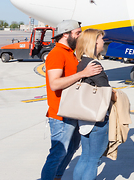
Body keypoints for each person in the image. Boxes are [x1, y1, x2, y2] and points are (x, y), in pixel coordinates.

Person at [41, 20, 102, 180]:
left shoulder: (70, 52)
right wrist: (83, 74)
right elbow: (55, 84)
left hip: (72, 111)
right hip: (60, 114)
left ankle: (57, 176)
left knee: (72, 147)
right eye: (77, 33)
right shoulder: (57, 53)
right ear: (65, 34)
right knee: (58, 153)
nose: (80, 36)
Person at [73, 29, 117, 180]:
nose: (104, 43)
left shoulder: (81, 62)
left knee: (85, 156)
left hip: (84, 117)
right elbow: (105, 90)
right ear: (94, 43)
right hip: (97, 117)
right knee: (93, 160)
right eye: (101, 40)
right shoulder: (94, 65)